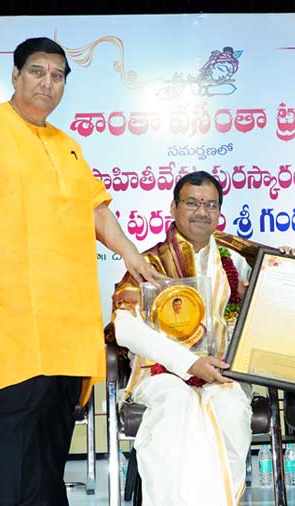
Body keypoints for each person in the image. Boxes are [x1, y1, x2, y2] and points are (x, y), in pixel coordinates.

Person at [0, 37, 160, 506]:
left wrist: (130, 252)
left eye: (58, 75)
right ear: (15, 75)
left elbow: (96, 209)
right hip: (5, 315)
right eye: (37, 71)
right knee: (14, 441)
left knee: (51, 446)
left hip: (67, 322)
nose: (48, 83)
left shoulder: (66, 145)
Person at [108, 171, 262, 506]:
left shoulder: (236, 261)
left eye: (210, 205)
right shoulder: (149, 261)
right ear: (173, 208)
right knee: (176, 405)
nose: (201, 212)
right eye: (192, 203)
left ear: (219, 213)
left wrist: (275, 278)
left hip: (221, 374)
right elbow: (124, 326)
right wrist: (189, 363)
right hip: (160, 374)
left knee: (231, 410)